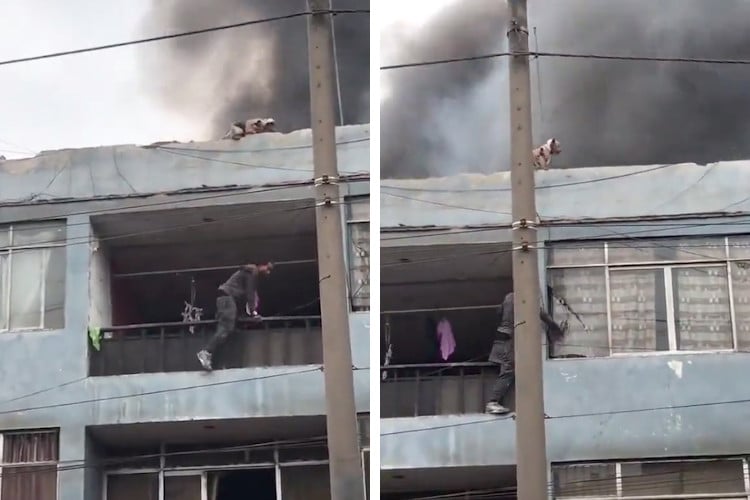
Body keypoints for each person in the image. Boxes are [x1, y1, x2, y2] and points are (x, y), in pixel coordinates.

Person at [485, 291, 565, 415]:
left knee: (514, 368)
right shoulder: (524, 296)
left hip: (502, 336)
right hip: (508, 339)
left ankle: (528, 406)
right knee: (509, 369)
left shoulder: (509, 297)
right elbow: (541, 314)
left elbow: (499, 312)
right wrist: (555, 327)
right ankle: (493, 402)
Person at [197, 262, 273, 371]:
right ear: (261, 265)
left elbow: (249, 295)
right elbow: (249, 294)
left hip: (225, 300)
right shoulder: (251, 273)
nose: (268, 272)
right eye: (268, 268)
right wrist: (253, 313)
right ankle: (206, 352)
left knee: (226, 330)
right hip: (227, 299)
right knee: (226, 327)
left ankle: (215, 360)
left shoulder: (246, 274)